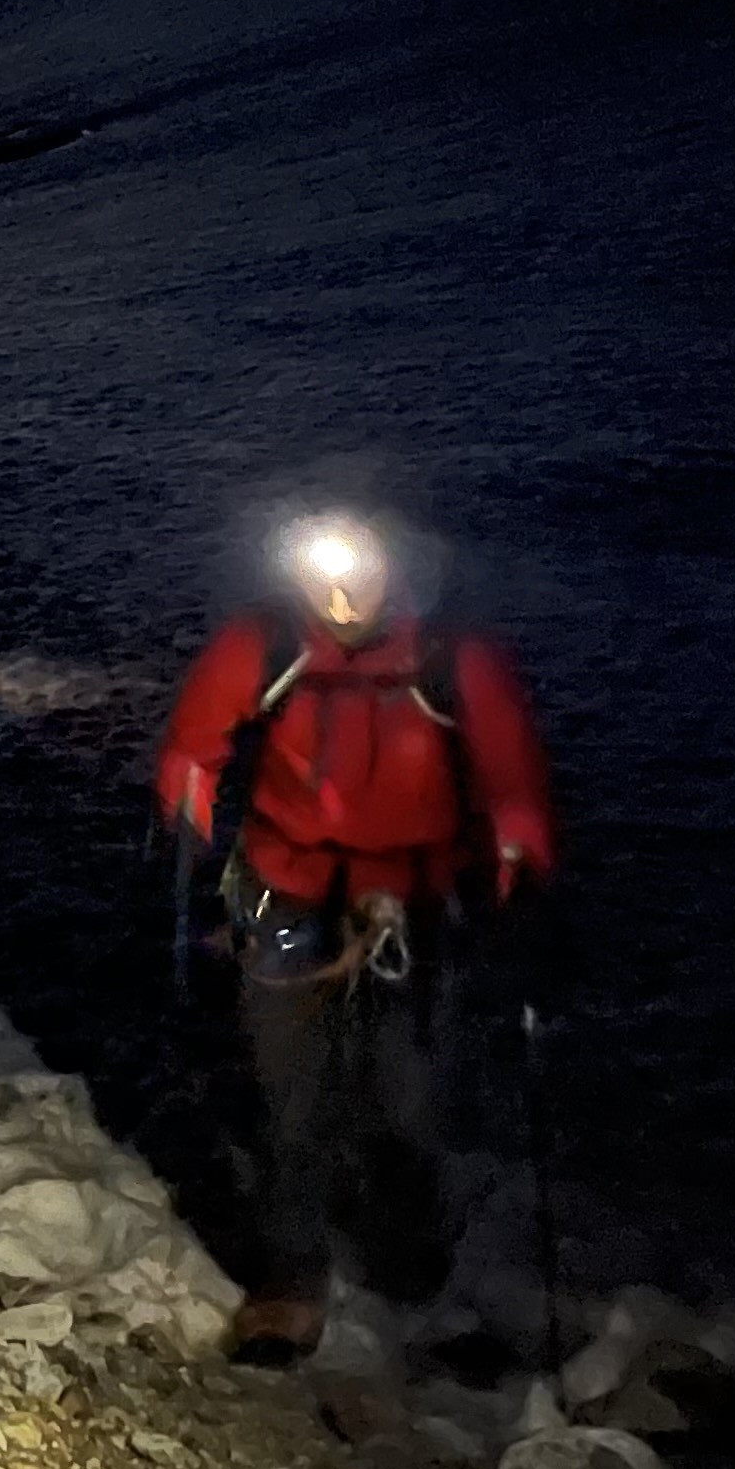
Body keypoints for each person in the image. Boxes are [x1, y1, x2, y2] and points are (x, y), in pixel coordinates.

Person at [151, 517, 557, 1363]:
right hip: (285, 893)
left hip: (407, 908)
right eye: (320, 571)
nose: (338, 594)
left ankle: (409, 1254)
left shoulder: (450, 659)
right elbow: (196, 743)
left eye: (358, 570)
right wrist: (185, 808)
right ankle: (292, 1280)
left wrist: (519, 851)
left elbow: (509, 773)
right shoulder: (265, 646)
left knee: (408, 1097)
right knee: (287, 1097)